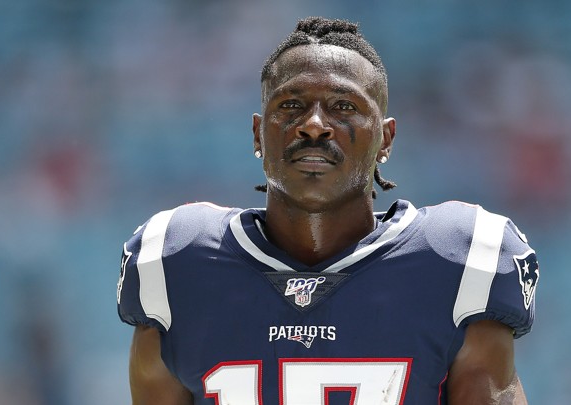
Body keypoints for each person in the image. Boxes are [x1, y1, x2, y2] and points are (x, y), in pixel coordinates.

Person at [117, 17, 539, 405]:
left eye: (344, 107)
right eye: (290, 105)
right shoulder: (177, 262)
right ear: (257, 134)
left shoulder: (456, 260)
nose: (314, 124)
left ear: (386, 139)